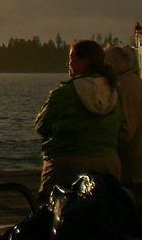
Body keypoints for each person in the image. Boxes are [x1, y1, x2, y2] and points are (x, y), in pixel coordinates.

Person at [35, 39, 123, 195]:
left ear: (85, 62)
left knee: (47, 206)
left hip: (67, 163)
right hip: (107, 163)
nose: (69, 63)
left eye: (72, 58)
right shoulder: (113, 92)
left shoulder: (64, 93)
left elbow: (42, 125)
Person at [104, 44, 142, 238]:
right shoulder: (138, 84)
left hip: (135, 170)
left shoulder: (123, 89)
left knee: (127, 220)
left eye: (104, 66)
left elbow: (125, 132)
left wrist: (104, 147)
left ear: (113, 66)